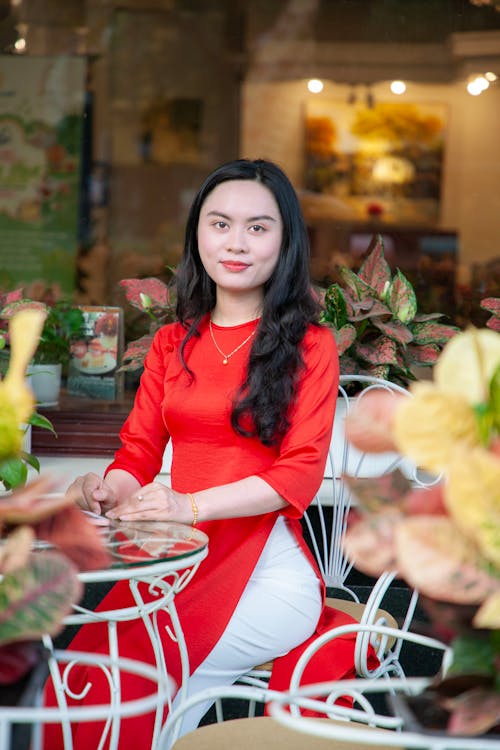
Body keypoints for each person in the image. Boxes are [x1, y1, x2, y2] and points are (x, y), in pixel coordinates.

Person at [44, 158, 365, 749]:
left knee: (142, 681)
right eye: (220, 223)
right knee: (87, 674)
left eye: (258, 227)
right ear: (198, 233)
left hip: (266, 575)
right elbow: (138, 452)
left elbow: (297, 477)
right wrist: (105, 489)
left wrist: (186, 506)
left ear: (286, 241)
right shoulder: (174, 341)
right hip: (178, 567)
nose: (236, 242)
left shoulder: (310, 345)